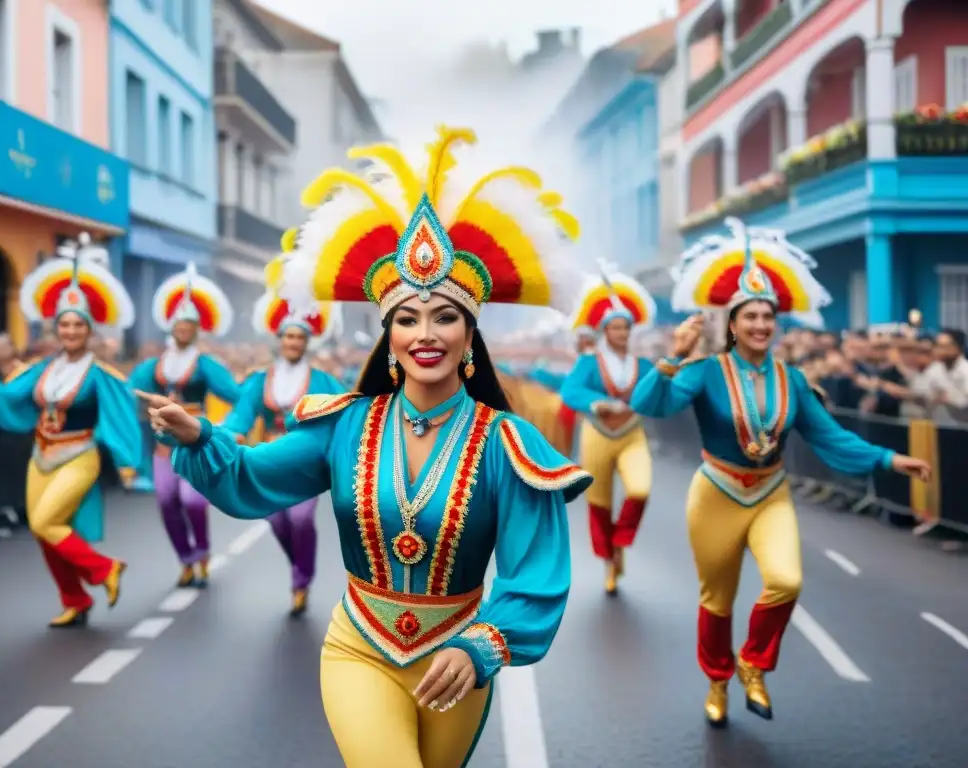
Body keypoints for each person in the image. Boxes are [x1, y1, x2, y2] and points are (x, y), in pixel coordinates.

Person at [141, 125, 591, 768]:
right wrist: (201, 436)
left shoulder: (507, 445)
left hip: (455, 663)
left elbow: (536, 571)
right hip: (359, 648)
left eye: (445, 317)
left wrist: (483, 645)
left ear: (470, 337)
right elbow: (251, 479)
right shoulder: (345, 425)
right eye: (407, 318)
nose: (425, 333)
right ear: (390, 337)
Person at [631, 218, 931, 726]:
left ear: (777, 324)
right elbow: (648, 404)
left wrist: (887, 459)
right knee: (717, 600)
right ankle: (717, 681)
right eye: (749, 316)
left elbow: (830, 436)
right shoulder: (704, 372)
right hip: (716, 492)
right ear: (732, 324)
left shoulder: (793, 380)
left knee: (786, 581)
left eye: (767, 316)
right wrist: (675, 356)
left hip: (770, 492)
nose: (760, 325)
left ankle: (753, 663)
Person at [0, 234, 141, 628]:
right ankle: (75, 599)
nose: (71, 331)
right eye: (65, 324)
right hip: (40, 455)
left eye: (78, 325)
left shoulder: (100, 374)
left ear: (89, 330)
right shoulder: (42, 370)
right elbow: (9, 397)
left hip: (79, 455)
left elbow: (121, 414)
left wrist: (127, 460)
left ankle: (105, 569)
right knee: (44, 531)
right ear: (56, 328)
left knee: (46, 522)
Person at [221, 232, 347, 617]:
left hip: (306, 462)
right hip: (268, 457)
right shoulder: (261, 379)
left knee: (301, 518)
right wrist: (224, 437)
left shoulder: (323, 380)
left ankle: (301, 581)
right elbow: (241, 415)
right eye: (288, 336)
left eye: (299, 337)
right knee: (276, 521)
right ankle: (299, 566)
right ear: (279, 339)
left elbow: (346, 415)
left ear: (307, 342)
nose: (293, 341)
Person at [129, 262, 241, 588]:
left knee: (193, 501)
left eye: (188, 325)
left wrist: (226, 427)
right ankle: (185, 560)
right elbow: (128, 393)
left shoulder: (205, 365)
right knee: (166, 501)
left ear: (197, 330)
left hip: (194, 442)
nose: (182, 329)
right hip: (164, 444)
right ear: (170, 327)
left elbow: (237, 396)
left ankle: (202, 552)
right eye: (178, 324)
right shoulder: (154, 365)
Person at [559, 263, 657, 595]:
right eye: (615, 328)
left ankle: (620, 541)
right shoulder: (589, 362)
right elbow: (570, 391)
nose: (622, 333)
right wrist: (598, 402)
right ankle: (609, 563)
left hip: (632, 433)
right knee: (599, 504)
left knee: (640, 489)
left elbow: (659, 391)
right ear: (605, 331)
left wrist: (672, 371)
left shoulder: (644, 365)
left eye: (626, 328)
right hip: (598, 435)